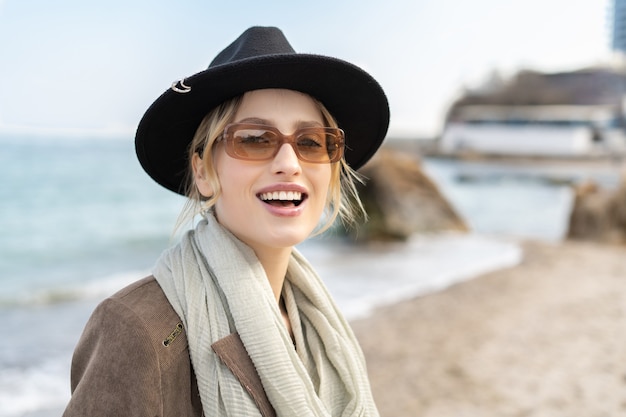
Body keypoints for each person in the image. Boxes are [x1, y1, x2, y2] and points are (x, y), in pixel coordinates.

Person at [63, 26, 389, 417]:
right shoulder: (136, 329)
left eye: (310, 142)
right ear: (202, 171)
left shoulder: (316, 321)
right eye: (254, 139)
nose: (289, 164)